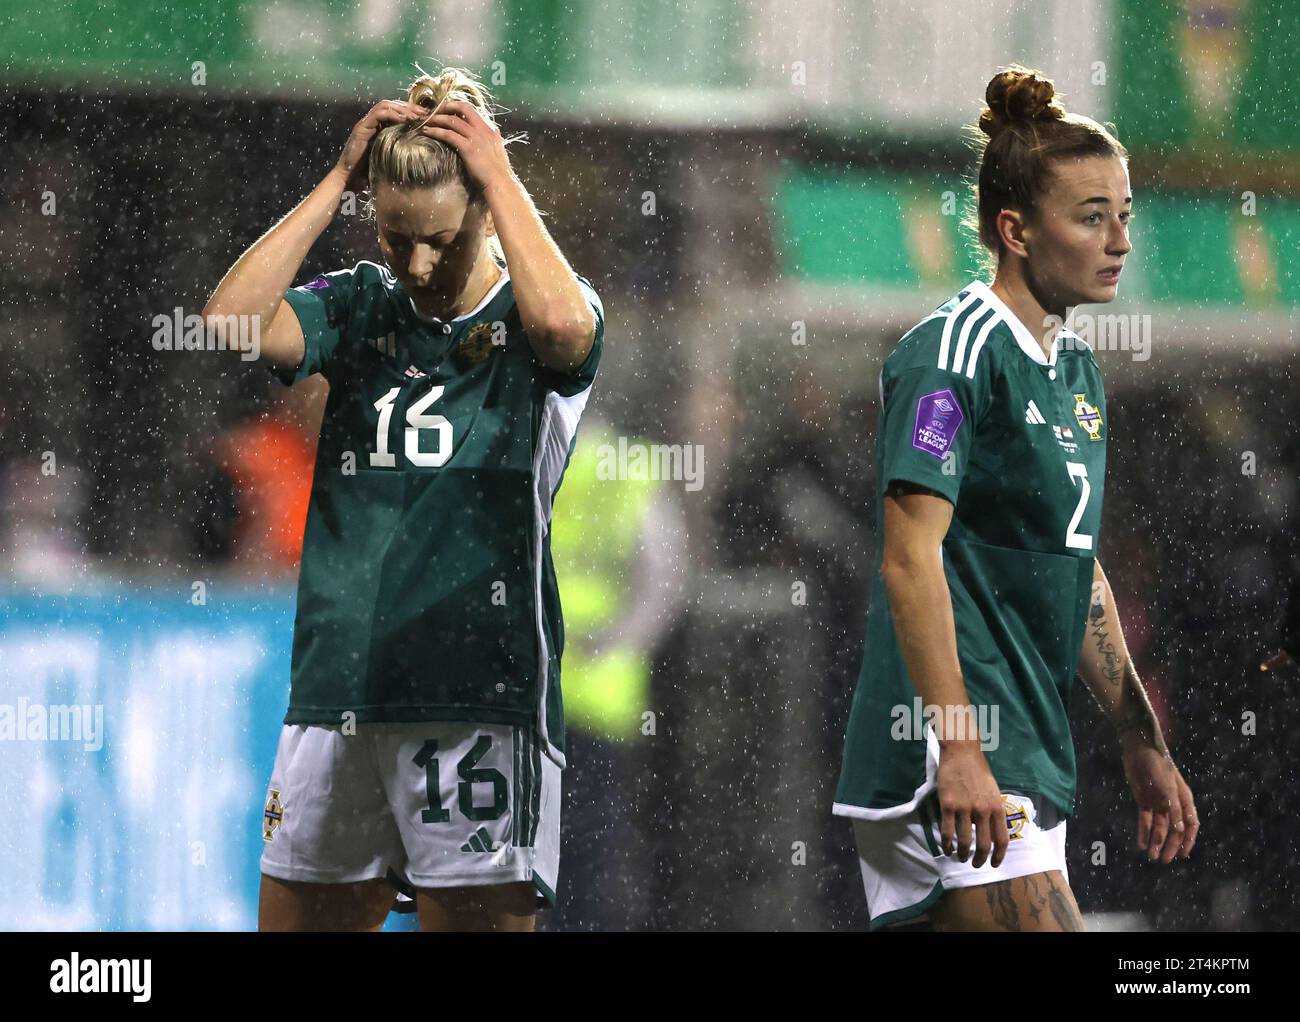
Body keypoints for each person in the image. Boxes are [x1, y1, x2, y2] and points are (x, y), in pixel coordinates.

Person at [201, 65, 604, 932]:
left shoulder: (540, 315)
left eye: (440, 240)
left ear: (489, 211)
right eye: (394, 237)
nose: (417, 262)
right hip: (337, 694)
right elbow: (229, 322)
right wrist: (339, 180)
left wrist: (499, 173)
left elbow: (570, 335)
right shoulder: (358, 305)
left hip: (476, 703)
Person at [832, 66, 1197, 931]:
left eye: (1125, 215)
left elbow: (1080, 575)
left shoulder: (1075, 372)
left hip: (1023, 750)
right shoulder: (953, 351)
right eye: (1092, 216)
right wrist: (959, 748)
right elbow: (908, 555)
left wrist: (1138, 736)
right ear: (1016, 230)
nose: (1120, 241)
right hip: (954, 752)